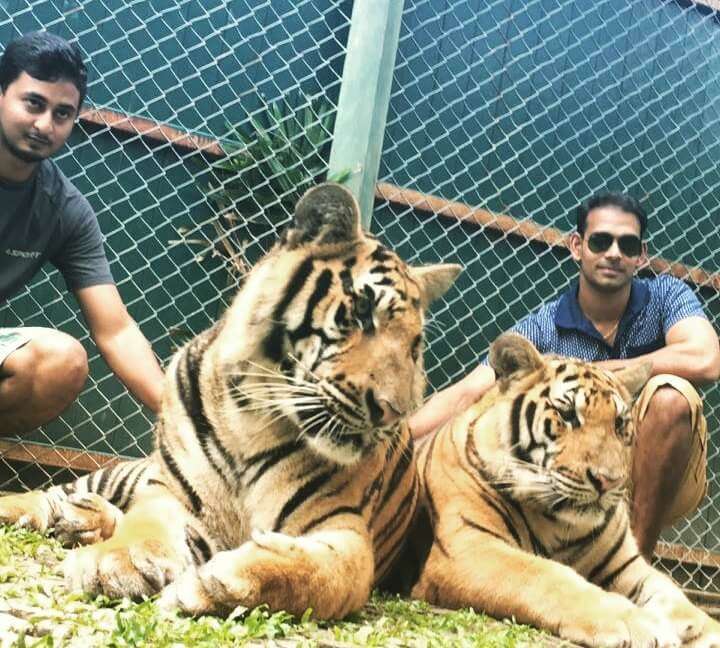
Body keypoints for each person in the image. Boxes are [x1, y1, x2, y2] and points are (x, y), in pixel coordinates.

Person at [409, 191, 720, 558]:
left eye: (628, 244)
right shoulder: (545, 325)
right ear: (577, 246)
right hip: (573, 473)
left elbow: (705, 359)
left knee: (671, 396)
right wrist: (395, 444)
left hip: (656, 471)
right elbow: (468, 392)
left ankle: (636, 560)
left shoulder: (667, 294)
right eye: (601, 241)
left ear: (641, 255)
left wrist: (592, 375)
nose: (614, 253)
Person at [0, 31, 165, 437]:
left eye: (62, 113)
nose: (44, 125)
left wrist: (181, 418)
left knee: (61, 361)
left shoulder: (64, 210)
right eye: (33, 103)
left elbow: (117, 330)